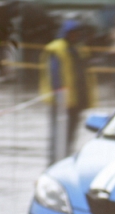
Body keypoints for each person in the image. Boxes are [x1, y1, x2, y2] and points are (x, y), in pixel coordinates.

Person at [39, 19, 98, 163]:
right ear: (66, 33)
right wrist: (60, 96)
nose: (75, 35)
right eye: (72, 33)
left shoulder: (79, 49)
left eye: (77, 33)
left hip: (77, 100)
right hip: (61, 101)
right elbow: (54, 75)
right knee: (58, 135)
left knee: (71, 135)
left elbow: (84, 73)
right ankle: (53, 163)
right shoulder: (57, 48)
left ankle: (64, 161)